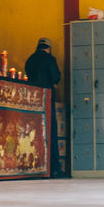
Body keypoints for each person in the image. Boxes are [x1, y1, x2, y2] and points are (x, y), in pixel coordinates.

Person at [25, 38, 63, 175]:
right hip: (46, 97)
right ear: (48, 48)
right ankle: (53, 169)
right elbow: (55, 78)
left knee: (34, 133)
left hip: (32, 99)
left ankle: (36, 166)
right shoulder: (49, 59)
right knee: (50, 130)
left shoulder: (30, 59)